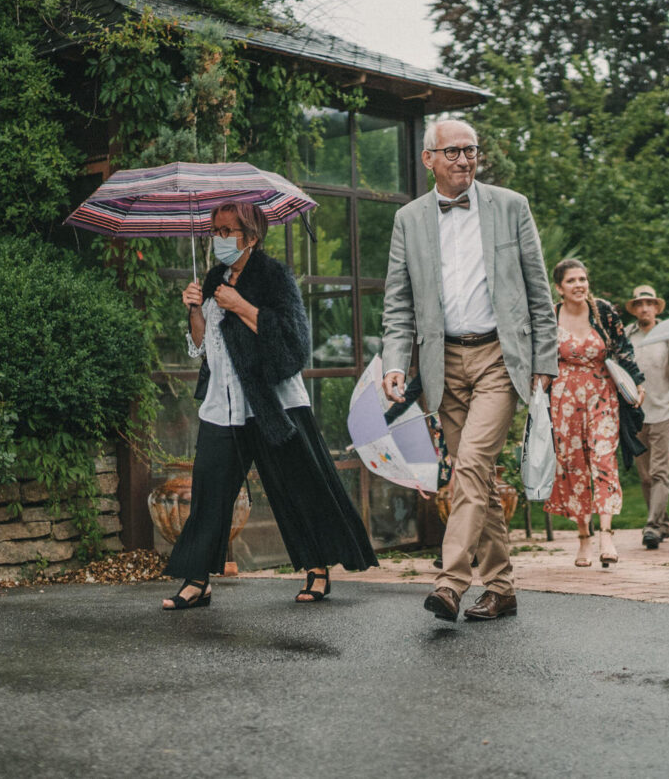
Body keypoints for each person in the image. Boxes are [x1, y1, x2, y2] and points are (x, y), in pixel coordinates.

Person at [381, 119, 558, 623]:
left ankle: (452, 580)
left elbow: (538, 291)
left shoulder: (511, 206)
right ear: (428, 159)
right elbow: (398, 303)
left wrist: (544, 363)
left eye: (471, 150)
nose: (463, 159)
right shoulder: (408, 219)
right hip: (444, 363)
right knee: (478, 477)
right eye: (453, 151)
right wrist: (396, 363)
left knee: (471, 467)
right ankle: (501, 588)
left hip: (501, 359)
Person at [161, 201, 377, 611]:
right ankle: (197, 579)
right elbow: (204, 349)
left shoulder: (276, 277)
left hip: (273, 404)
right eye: (215, 231)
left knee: (296, 485)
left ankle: (317, 568)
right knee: (210, 491)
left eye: (227, 231)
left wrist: (240, 305)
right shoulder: (212, 280)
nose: (219, 239)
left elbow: (294, 345)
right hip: (221, 406)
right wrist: (194, 309)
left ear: (251, 237)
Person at [544, 260, 645, 569]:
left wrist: (637, 382)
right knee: (573, 467)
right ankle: (584, 538)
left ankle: (606, 535)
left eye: (583, 279)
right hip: (564, 399)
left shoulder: (602, 311)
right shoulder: (550, 315)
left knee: (603, 460)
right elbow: (539, 354)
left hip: (602, 395)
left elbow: (623, 348)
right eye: (572, 281)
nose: (579, 285)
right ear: (559, 288)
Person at [623, 285, 669, 550]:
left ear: (656, 308)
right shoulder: (627, 335)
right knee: (645, 477)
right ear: (635, 308)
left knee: (659, 473)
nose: (644, 308)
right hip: (636, 414)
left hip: (664, 412)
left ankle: (651, 526)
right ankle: (663, 523)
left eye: (649, 303)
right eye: (640, 304)